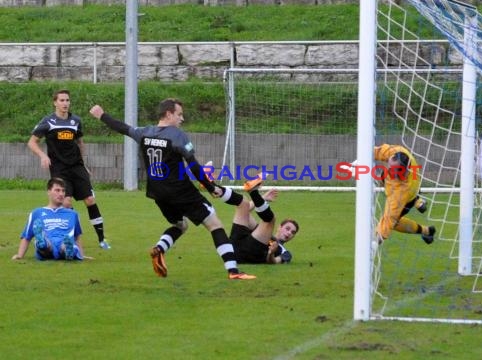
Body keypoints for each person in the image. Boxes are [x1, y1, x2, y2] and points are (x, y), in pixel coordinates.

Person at [88, 99, 255, 280]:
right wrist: (210, 187)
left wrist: (101, 115)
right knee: (215, 225)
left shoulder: (145, 132)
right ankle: (233, 271)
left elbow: (122, 127)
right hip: (180, 190)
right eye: (179, 114)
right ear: (168, 114)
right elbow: (194, 166)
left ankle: (159, 249)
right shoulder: (177, 135)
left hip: (158, 192)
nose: (182, 118)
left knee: (180, 225)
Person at [28, 89, 111, 250]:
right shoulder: (48, 121)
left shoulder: (76, 121)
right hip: (59, 169)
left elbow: (80, 143)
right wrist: (43, 156)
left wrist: (83, 163)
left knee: (90, 200)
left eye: (67, 100)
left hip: (77, 167)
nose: (65, 103)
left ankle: (102, 239)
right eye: (62, 100)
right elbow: (32, 142)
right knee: (66, 202)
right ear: (55, 102)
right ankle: (70, 240)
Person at [224, 177, 299, 264]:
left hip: (247, 255)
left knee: (270, 219)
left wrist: (271, 253)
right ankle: (211, 186)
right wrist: (264, 198)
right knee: (243, 204)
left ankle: (253, 192)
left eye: (293, 232)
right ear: (280, 227)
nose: (289, 233)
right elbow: (246, 211)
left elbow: (274, 262)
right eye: (287, 228)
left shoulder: (286, 253)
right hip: (234, 249)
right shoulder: (261, 233)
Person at [12, 177, 87, 261]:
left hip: (64, 241)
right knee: (45, 245)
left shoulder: (73, 214)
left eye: (63, 191)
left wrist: (81, 255)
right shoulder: (37, 212)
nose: (61, 194)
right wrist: (19, 255)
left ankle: (67, 249)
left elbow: (77, 238)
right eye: (57, 190)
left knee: (66, 244)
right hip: (49, 242)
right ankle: (44, 243)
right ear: (48, 192)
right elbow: (26, 237)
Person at [374, 143, 436, 244]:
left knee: (394, 223)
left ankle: (426, 230)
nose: (389, 170)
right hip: (414, 184)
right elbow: (376, 151)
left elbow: (390, 218)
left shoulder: (401, 192)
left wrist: (378, 239)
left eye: (393, 170)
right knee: (383, 176)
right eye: (389, 165)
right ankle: (418, 201)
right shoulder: (396, 151)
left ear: (403, 172)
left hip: (408, 199)